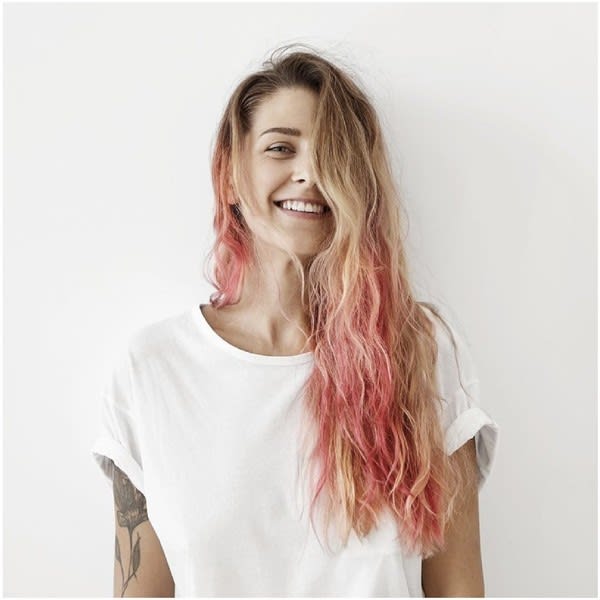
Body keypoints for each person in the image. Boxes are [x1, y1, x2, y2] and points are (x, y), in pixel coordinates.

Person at [91, 43, 499, 597]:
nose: (310, 173)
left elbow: (460, 592)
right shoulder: (153, 370)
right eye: (281, 148)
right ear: (231, 175)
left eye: (333, 154)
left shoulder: (421, 351)